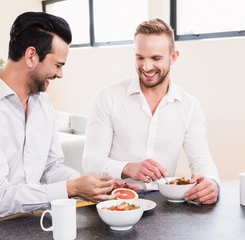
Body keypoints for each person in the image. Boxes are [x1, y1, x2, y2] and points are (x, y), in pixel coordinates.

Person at [0, 12, 120, 228]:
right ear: (31, 56)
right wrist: (73, 188)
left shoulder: (43, 104)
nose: (60, 74)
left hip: (34, 220)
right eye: (58, 65)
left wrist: (94, 184)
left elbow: (50, 167)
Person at [83, 18, 220, 204]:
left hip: (165, 205)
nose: (146, 67)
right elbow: (90, 162)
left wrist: (212, 183)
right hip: (114, 203)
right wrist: (128, 168)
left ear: (173, 57)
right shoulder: (107, 97)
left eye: (155, 58)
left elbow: (201, 161)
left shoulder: (189, 106)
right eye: (140, 57)